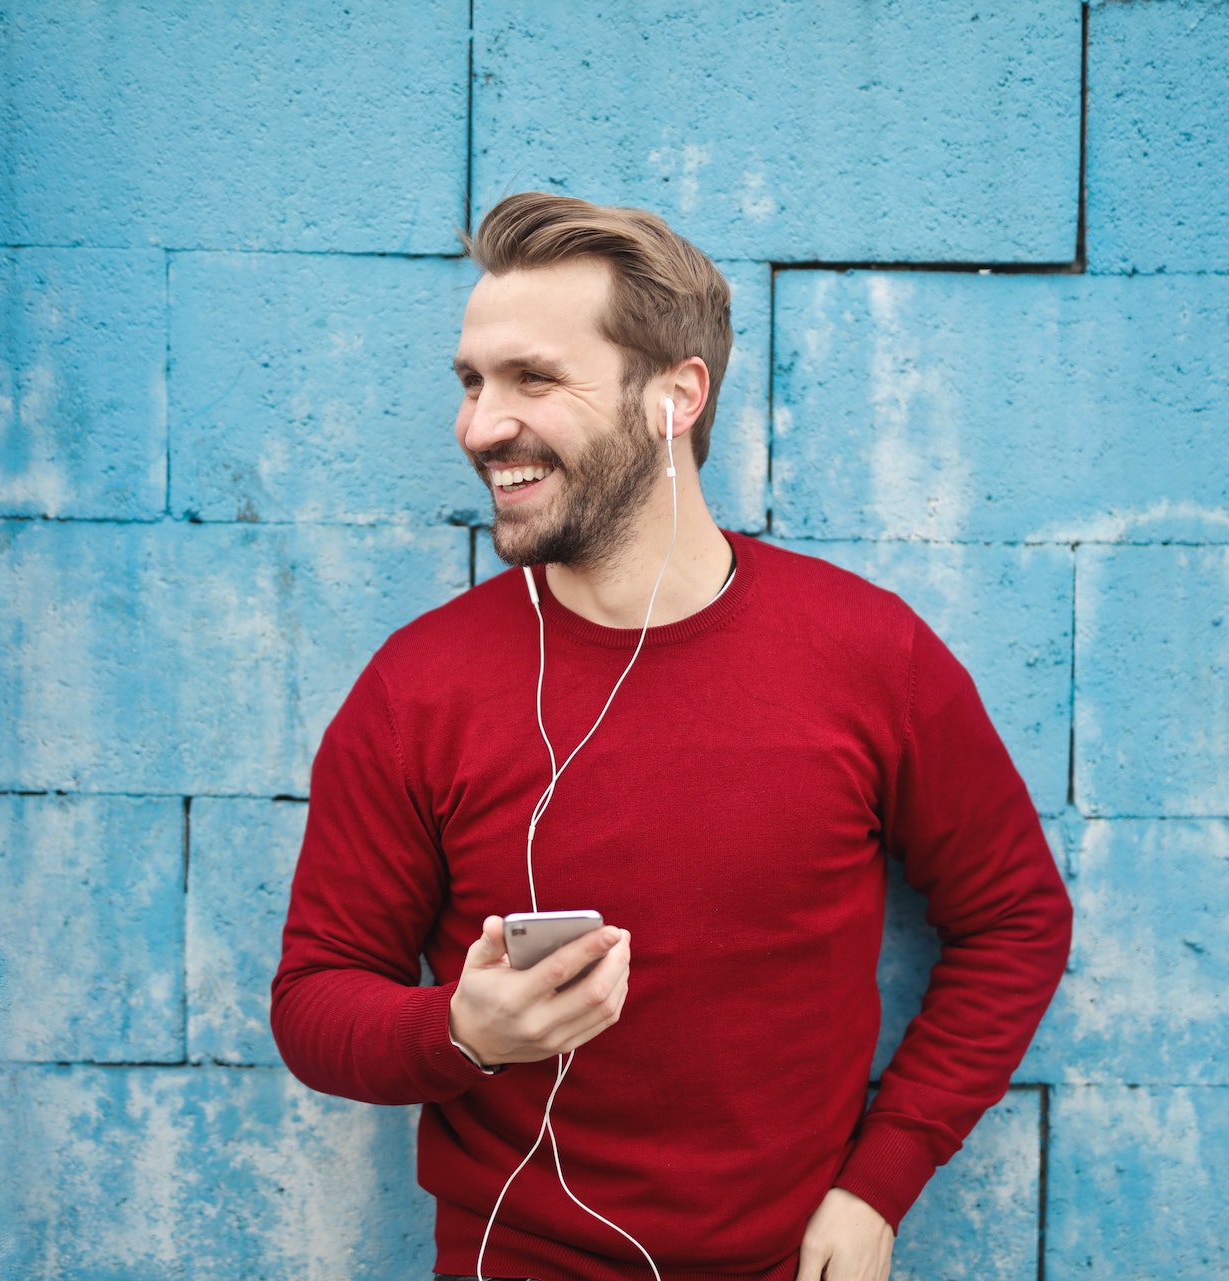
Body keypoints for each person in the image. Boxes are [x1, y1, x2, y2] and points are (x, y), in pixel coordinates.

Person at [271, 192, 1072, 1281]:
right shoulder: (417, 691)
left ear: (674, 396)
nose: (478, 426)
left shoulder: (865, 654)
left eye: (533, 379)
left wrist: (879, 1184)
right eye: (471, 381)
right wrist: (460, 1033)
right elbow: (317, 997)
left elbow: (1014, 920)